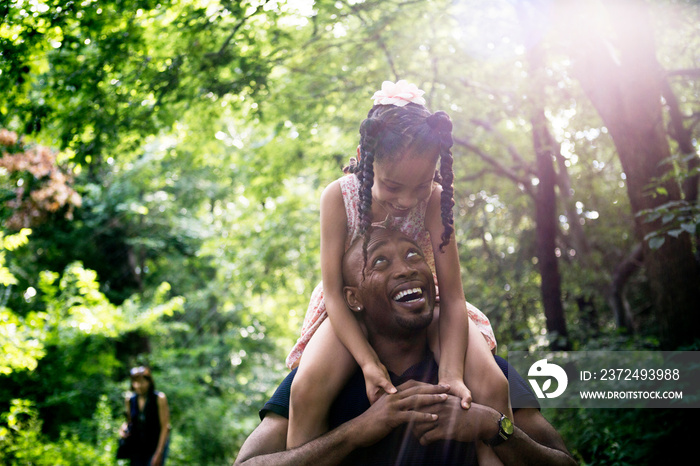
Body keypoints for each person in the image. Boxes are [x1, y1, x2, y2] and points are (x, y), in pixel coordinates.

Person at [287, 80, 511, 464]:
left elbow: (454, 296)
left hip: (425, 301)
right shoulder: (338, 198)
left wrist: (452, 374)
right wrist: (369, 364)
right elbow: (335, 291)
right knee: (306, 388)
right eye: (392, 186)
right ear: (365, 157)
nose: (408, 200)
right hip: (352, 308)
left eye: (421, 186)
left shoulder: (436, 199)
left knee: (493, 383)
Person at [234, 227, 577, 465]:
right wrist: (353, 433)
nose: (407, 269)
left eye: (414, 255)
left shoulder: (479, 368)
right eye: (381, 261)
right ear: (352, 298)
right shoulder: (322, 377)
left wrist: (493, 427)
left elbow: (564, 462)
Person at [119, 366, 171, 466]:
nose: (138, 386)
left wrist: (159, 453)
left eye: (142, 382)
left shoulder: (159, 398)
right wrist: (122, 429)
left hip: (155, 444)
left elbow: (165, 427)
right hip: (137, 446)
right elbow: (130, 421)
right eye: (135, 382)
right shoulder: (130, 399)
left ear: (149, 382)